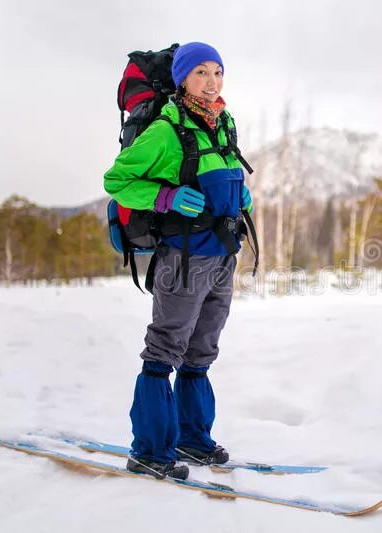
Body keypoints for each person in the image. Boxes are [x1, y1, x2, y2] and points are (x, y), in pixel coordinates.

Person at [104, 42, 253, 480]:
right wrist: (165, 196)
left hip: (224, 253)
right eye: (201, 72)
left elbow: (223, 175)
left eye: (218, 72)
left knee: (201, 351)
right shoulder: (167, 130)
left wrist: (242, 195)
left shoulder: (224, 123)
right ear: (183, 79)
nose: (212, 82)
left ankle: (192, 437)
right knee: (165, 348)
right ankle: (150, 449)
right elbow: (117, 180)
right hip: (184, 259)